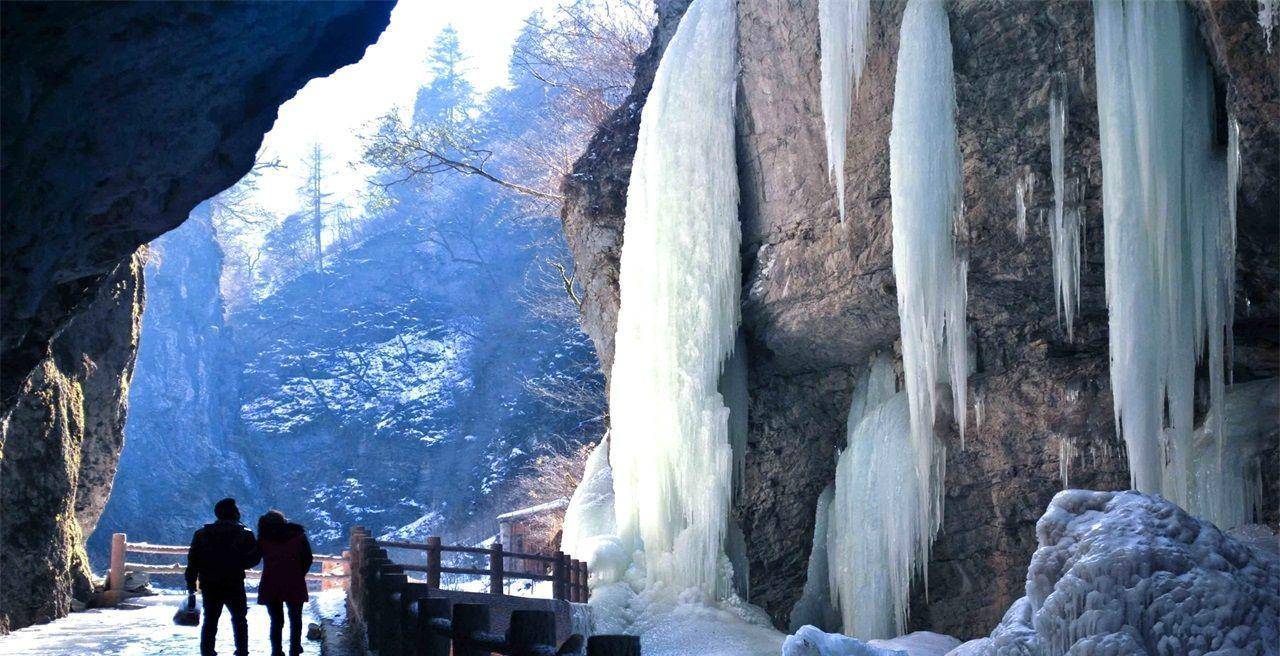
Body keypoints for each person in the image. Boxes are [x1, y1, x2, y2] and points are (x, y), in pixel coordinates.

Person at [185, 498, 262, 656]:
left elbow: (193, 562)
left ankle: (207, 651)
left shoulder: (201, 534)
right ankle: (242, 651)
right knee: (240, 619)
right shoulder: (245, 534)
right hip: (234, 582)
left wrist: (191, 585)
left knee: (210, 620)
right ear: (234, 513)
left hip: (209, 584)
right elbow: (254, 559)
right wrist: (240, 563)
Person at [257, 510, 314, 656]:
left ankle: (276, 651)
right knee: (295, 618)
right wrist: (299, 573)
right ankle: (294, 649)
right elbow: (308, 558)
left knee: (276, 621)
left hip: (271, 582)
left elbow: (254, 558)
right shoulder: (298, 536)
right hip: (294, 581)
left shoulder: (264, 538)